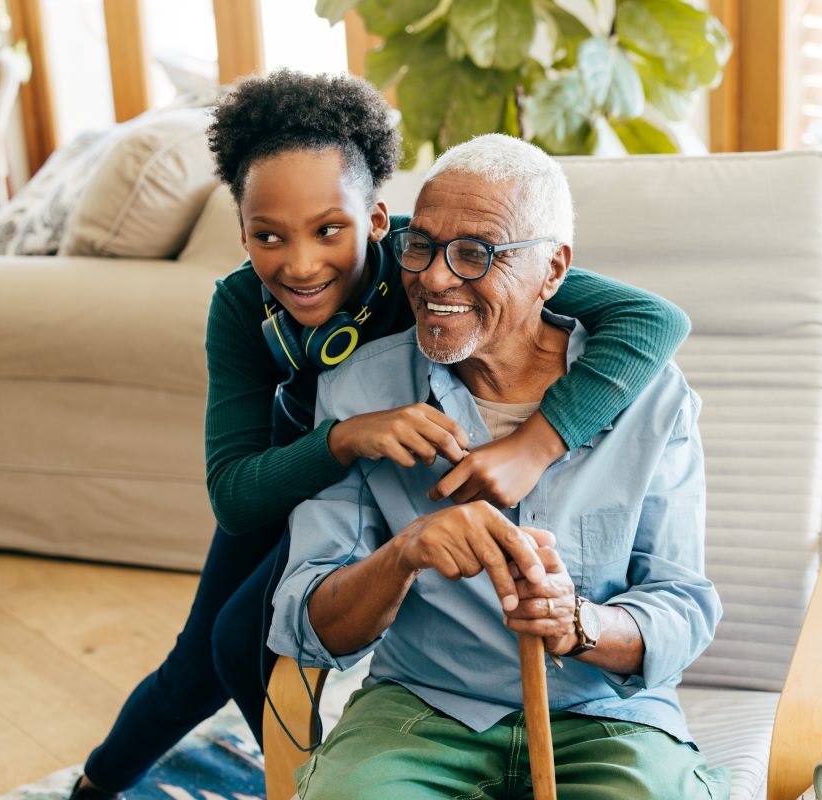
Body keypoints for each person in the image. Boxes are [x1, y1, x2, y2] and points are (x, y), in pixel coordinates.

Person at [69, 72, 691, 799]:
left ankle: (308, 764)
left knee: (242, 639)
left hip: (386, 478)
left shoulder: (433, 258)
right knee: (213, 651)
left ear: (375, 221)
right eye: (269, 236)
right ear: (241, 231)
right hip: (298, 462)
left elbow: (653, 321)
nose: (300, 264)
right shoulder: (241, 305)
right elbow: (236, 498)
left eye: (328, 229)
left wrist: (536, 445)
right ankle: (108, 781)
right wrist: (345, 438)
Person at [268, 133, 727, 800]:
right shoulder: (358, 393)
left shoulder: (651, 399)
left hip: (607, 720)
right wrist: (403, 555)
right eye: (419, 244)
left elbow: (681, 608)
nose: (433, 277)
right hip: (420, 710)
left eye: (476, 253)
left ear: (553, 270)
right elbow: (308, 620)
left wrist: (581, 623)